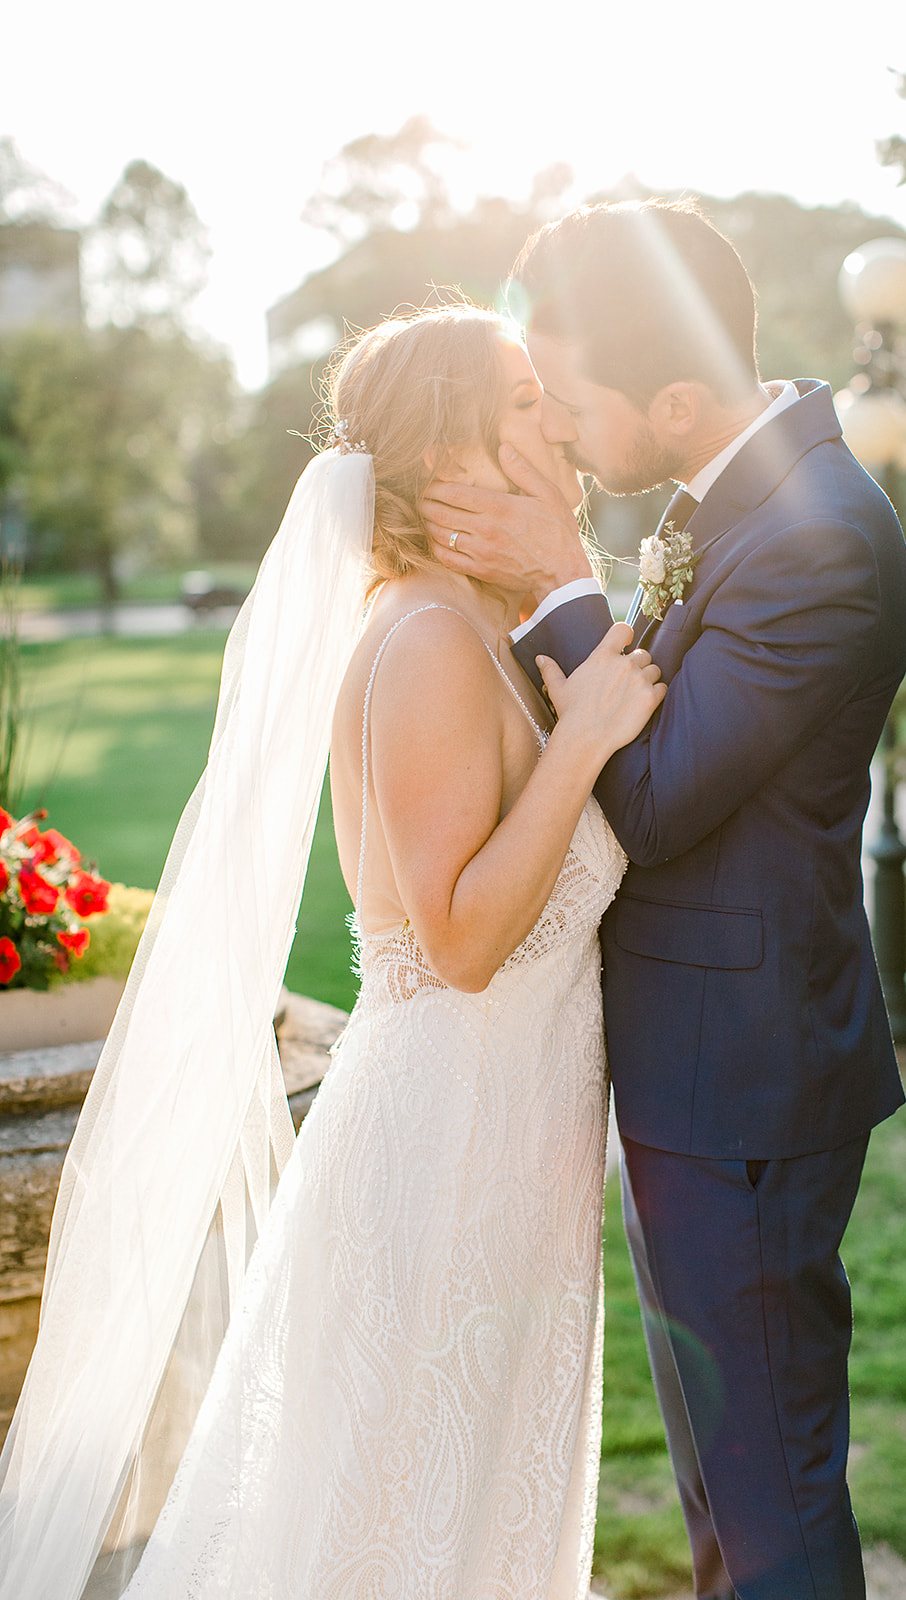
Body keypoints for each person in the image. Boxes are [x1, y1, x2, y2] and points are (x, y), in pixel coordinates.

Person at [0, 304, 664, 1600]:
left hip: (507, 1144)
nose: (561, 417)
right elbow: (463, 940)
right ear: (451, 448)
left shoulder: (478, 623)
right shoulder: (423, 641)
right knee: (398, 1525)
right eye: (525, 400)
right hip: (447, 1153)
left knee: (464, 1513)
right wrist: (583, 741)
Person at [423, 200, 906, 1600]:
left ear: (682, 398)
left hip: (745, 1084)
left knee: (769, 1505)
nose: (562, 433)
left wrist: (558, 585)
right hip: (708, 1071)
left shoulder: (815, 535)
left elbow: (647, 797)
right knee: (727, 1484)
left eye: (572, 403)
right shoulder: (740, 500)